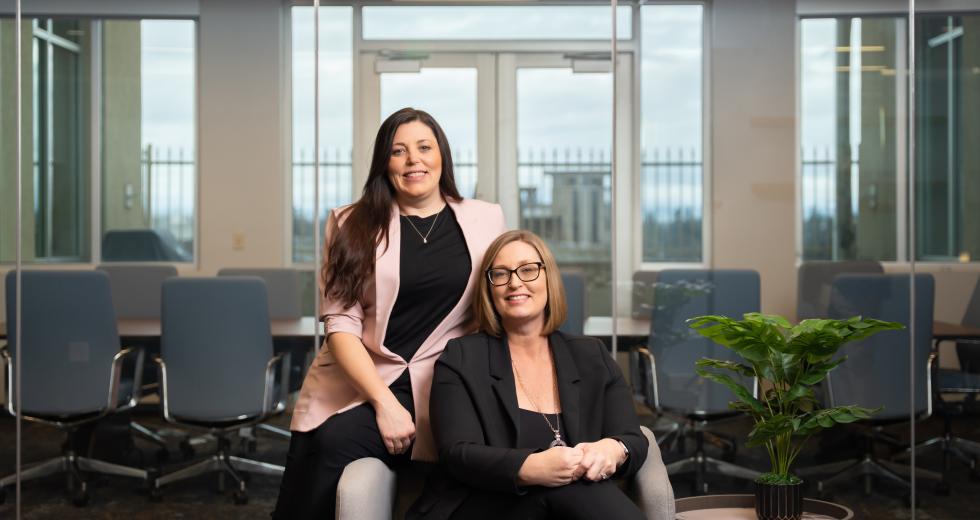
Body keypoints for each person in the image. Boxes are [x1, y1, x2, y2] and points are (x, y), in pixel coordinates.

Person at [272, 108, 507, 519]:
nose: (413, 159)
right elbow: (341, 323)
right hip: (364, 375)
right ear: (385, 163)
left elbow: (499, 303)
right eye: (398, 151)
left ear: (442, 155)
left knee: (341, 442)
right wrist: (384, 403)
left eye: (424, 147)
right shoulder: (351, 223)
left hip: (446, 380)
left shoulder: (486, 219)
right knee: (322, 444)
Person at [408, 230, 649, 520]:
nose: (514, 282)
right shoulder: (461, 357)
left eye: (528, 269)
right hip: (481, 506)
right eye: (500, 274)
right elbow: (457, 454)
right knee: (568, 485)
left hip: (568, 510)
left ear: (549, 278)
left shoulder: (591, 355)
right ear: (489, 288)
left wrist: (612, 449)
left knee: (571, 484)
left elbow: (633, 438)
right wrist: (533, 468)